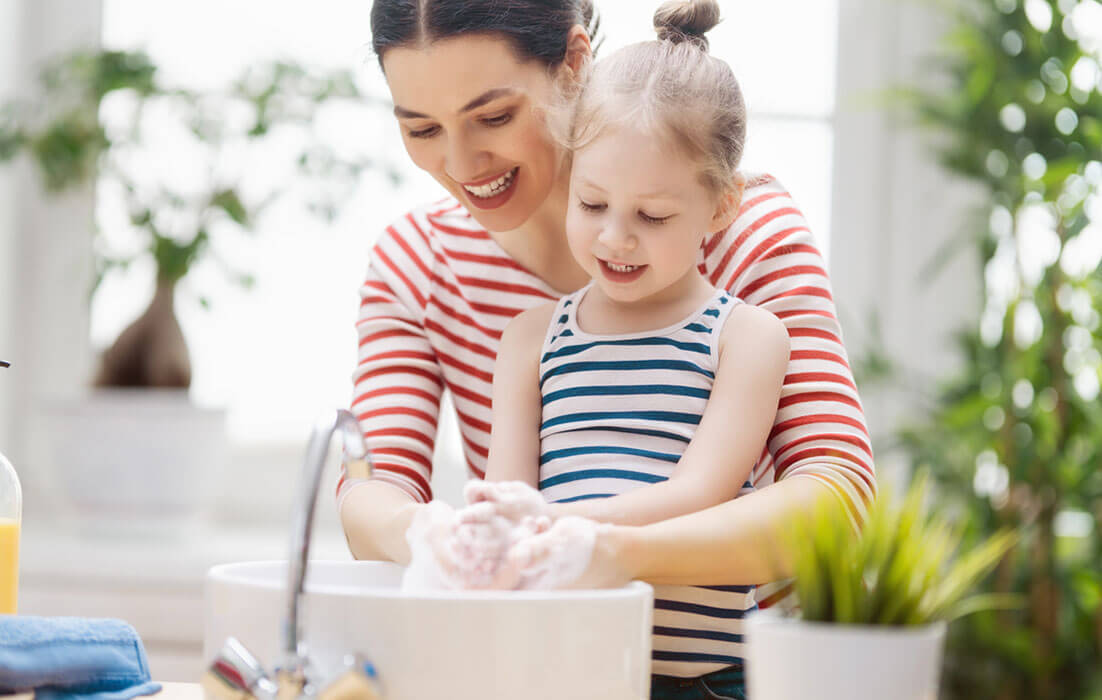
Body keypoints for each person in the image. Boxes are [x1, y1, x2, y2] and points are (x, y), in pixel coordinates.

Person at [337, 0, 874, 684]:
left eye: (494, 116)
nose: (460, 162)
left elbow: (838, 498)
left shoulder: (742, 231)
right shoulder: (421, 263)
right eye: (420, 128)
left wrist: (613, 548)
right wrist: (427, 535)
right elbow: (370, 488)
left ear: (574, 65)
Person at [461, 1, 788, 689]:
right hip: (561, 672)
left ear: (722, 206)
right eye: (592, 204)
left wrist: (555, 521)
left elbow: (700, 492)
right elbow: (506, 495)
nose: (614, 237)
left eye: (651, 215)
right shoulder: (530, 338)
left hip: (701, 681)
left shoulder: (746, 338)